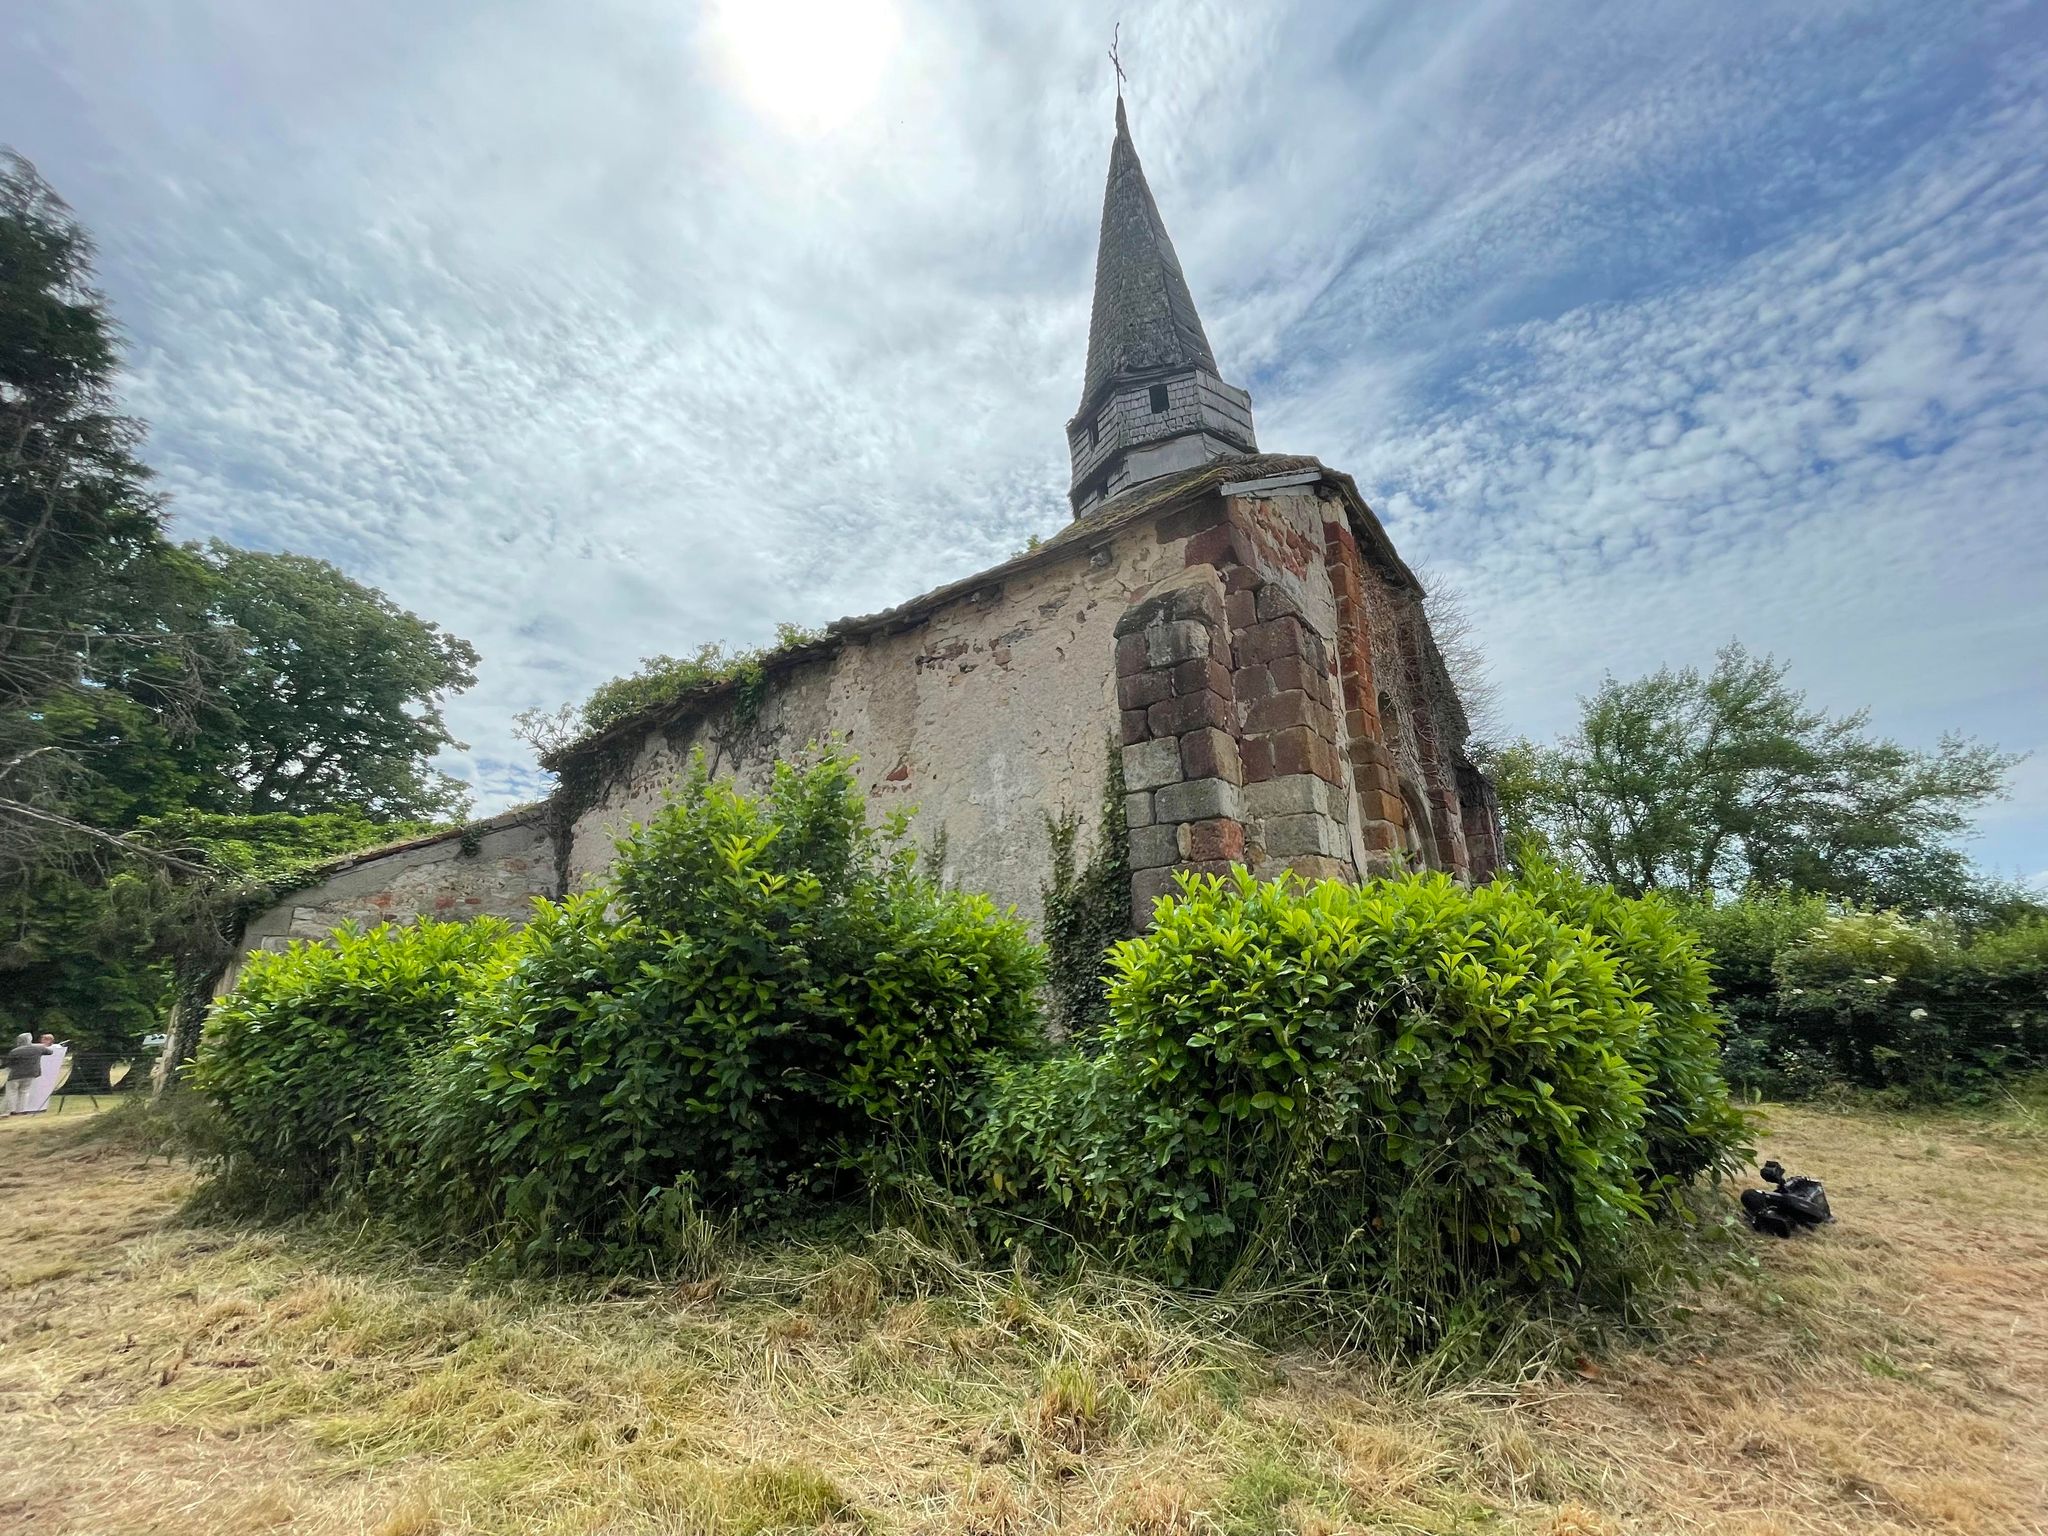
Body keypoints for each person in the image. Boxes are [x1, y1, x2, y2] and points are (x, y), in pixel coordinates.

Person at [6, 1033, 53, 1115]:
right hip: (31, 1074)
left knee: (12, 1092)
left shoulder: (14, 1051)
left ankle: (11, 1110)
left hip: (15, 1075)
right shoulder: (38, 1048)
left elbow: (9, 1063)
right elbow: (50, 1052)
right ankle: (21, 1110)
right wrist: (42, 1045)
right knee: (24, 1092)